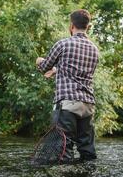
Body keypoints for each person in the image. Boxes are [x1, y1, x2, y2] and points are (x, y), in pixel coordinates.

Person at [36, 9, 99, 163]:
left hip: (67, 105)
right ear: (88, 26)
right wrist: (57, 70)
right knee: (87, 150)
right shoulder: (94, 50)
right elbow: (78, 72)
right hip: (88, 106)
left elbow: (44, 67)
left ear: (71, 25)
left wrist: (39, 61)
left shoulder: (63, 44)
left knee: (63, 149)